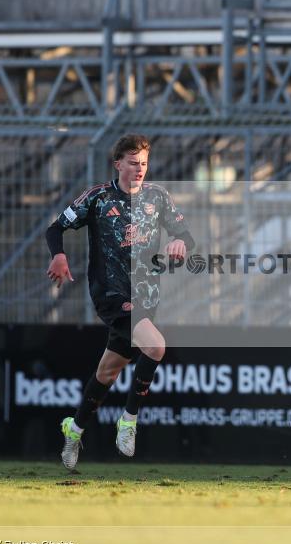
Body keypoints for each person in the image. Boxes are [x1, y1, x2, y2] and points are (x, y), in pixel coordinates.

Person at [45, 134, 194, 470]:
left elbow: (187, 236)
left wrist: (179, 245)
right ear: (118, 164)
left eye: (143, 163)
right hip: (111, 294)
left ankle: (75, 428)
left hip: (147, 296)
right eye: (132, 162)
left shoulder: (158, 197)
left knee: (108, 372)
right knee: (155, 347)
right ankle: (128, 421)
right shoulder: (98, 198)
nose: (139, 168)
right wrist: (58, 256)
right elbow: (55, 229)